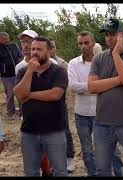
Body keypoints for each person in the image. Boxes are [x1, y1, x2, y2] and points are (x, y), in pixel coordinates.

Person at [88, 18, 123, 176]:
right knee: (102, 169)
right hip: (102, 123)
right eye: (106, 34)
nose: (108, 38)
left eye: (112, 34)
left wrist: (116, 54)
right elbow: (92, 87)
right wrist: (120, 80)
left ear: (122, 35)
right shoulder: (99, 58)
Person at [13, 36, 68, 176]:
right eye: (33, 49)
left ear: (49, 52)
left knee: (60, 171)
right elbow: (19, 94)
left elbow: (55, 94)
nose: (34, 52)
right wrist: (30, 71)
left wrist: (30, 95)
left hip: (54, 130)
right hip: (29, 131)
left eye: (39, 49)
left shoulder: (59, 71)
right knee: (30, 172)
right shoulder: (22, 71)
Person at [68, 31, 97, 176]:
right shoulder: (73, 63)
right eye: (80, 43)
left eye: (86, 42)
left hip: (101, 113)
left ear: (93, 43)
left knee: (106, 149)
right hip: (82, 114)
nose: (83, 46)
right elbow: (73, 86)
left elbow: (108, 86)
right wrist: (95, 86)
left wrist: (84, 87)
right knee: (87, 150)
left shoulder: (102, 61)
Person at [48, 37, 75, 173]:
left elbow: (68, 86)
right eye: (49, 47)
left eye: (52, 47)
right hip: (45, 107)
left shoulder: (63, 64)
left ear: (54, 48)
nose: (50, 50)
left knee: (65, 130)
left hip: (59, 104)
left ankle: (70, 157)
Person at [0, 32, 24, 120]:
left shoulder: (13, 45)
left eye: (8, 38)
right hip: (6, 76)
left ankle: (22, 113)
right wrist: (3, 68)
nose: (7, 40)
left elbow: (21, 56)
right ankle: (11, 114)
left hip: (18, 74)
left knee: (20, 94)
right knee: (10, 95)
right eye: (5, 39)